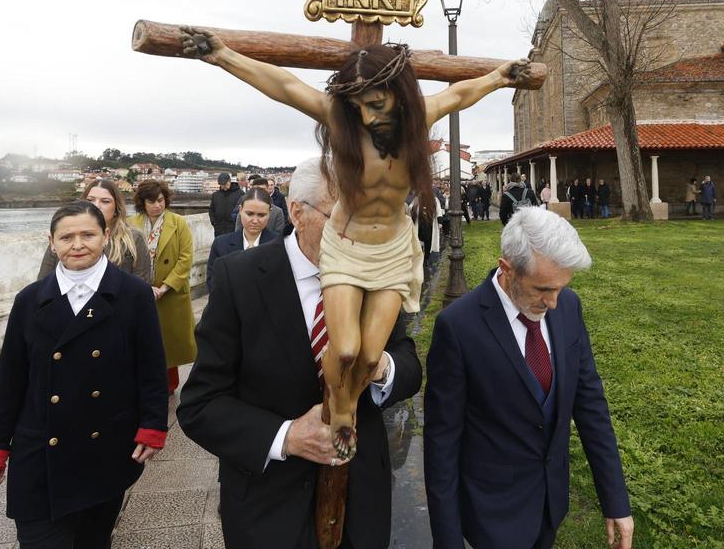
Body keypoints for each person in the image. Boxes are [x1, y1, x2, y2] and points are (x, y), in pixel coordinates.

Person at [181, 29, 528, 458]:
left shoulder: (420, 117)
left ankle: (349, 403)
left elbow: (461, 94)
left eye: (376, 104)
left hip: (394, 250)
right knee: (343, 348)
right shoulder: (341, 119)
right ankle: (340, 408)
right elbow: (285, 86)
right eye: (358, 106)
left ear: (397, 94)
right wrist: (223, 55)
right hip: (346, 246)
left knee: (368, 358)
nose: (365, 116)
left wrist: (501, 76)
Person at [177, 159, 423, 549]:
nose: (357, 233)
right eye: (342, 217)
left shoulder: (375, 279)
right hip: (269, 508)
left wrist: (382, 368)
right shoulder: (237, 278)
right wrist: (287, 437)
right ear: (297, 212)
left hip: (362, 503)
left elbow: (408, 364)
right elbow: (200, 404)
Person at [424, 208, 633, 549]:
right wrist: (447, 540)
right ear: (507, 269)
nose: (552, 302)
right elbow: (442, 444)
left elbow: (591, 404)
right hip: (492, 513)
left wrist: (615, 501)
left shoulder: (568, 307)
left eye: (561, 288)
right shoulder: (458, 327)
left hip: (550, 504)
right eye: (542, 289)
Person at [0, 201, 168, 549]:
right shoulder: (30, 300)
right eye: (66, 237)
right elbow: (9, 379)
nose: (77, 244)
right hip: (39, 451)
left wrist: (153, 425)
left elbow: (151, 368)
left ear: (106, 236)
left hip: (105, 447)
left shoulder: (133, 294)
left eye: (87, 234)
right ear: (52, 243)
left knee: (92, 541)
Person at [129, 180, 197, 395]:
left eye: (160, 200)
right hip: (141, 291)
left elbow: (185, 259)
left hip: (170, 293)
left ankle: (169, 384)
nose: (157, 205)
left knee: (169, 342)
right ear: (142, 203)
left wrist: (165, 287)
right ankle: (144, 381)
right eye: (151, 201)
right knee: (143, 340)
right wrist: (145, 288)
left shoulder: (178, 223)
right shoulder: (131, 224)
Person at [36, 178, 150, 283]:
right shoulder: (63, 238)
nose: (96, 205)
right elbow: (42, 281)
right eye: (90, 200)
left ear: (116, 208)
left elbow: (142, 284)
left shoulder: (134, 238)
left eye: (105, 201)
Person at [207, 186, 280, 271]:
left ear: (269, 213)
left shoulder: (280, 246)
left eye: (261, 215)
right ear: (240, 210)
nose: (255, 221)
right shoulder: (220, 245)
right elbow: (213, 281)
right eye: (249, 214)